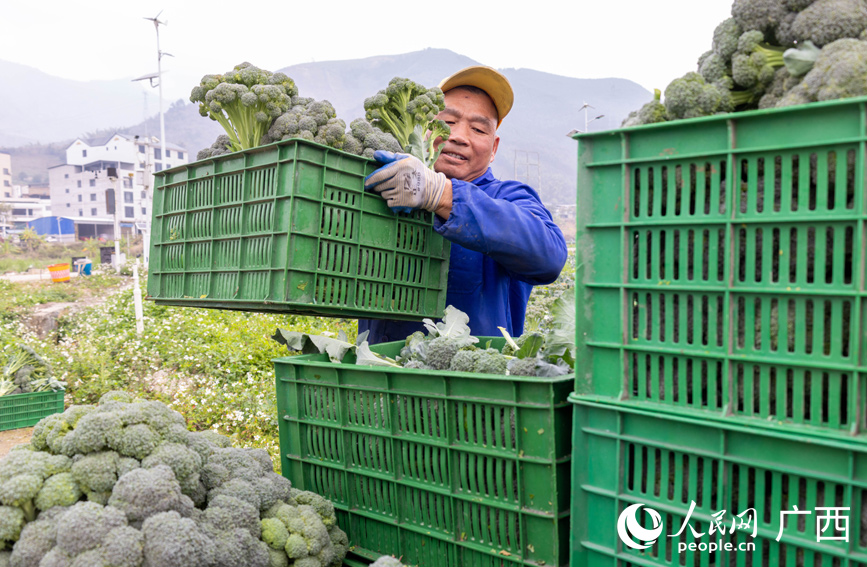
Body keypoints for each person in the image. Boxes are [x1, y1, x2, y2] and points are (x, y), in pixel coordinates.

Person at [360, 65, 567, 343]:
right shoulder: (386, 187)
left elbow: (550, 256)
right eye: (448, 122)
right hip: (379, 365)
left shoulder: (508, 197)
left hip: (472, 369)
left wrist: (441, 194)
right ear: (424, 130)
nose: (459, 136)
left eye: (478, 129)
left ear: (494, 148)